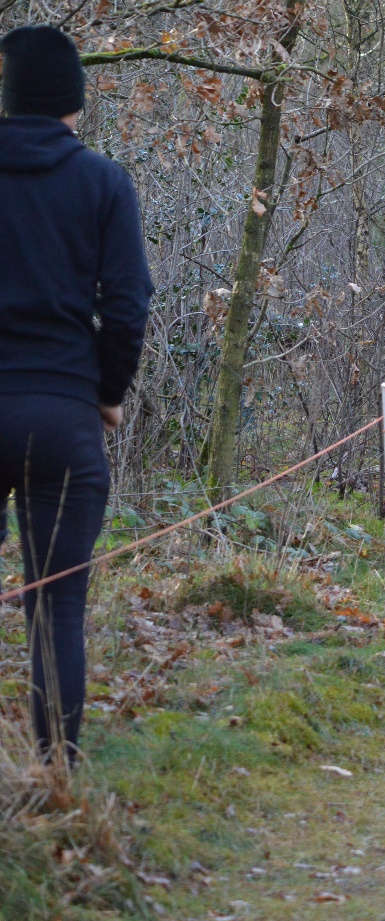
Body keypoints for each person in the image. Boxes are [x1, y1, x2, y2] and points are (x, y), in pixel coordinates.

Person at [0, 26, 153, 766]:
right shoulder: (101, 182)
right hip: (62, 415)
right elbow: (127, 307)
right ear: (75, 105)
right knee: (54, 603)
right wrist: (107, 391)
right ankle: (56, 780)